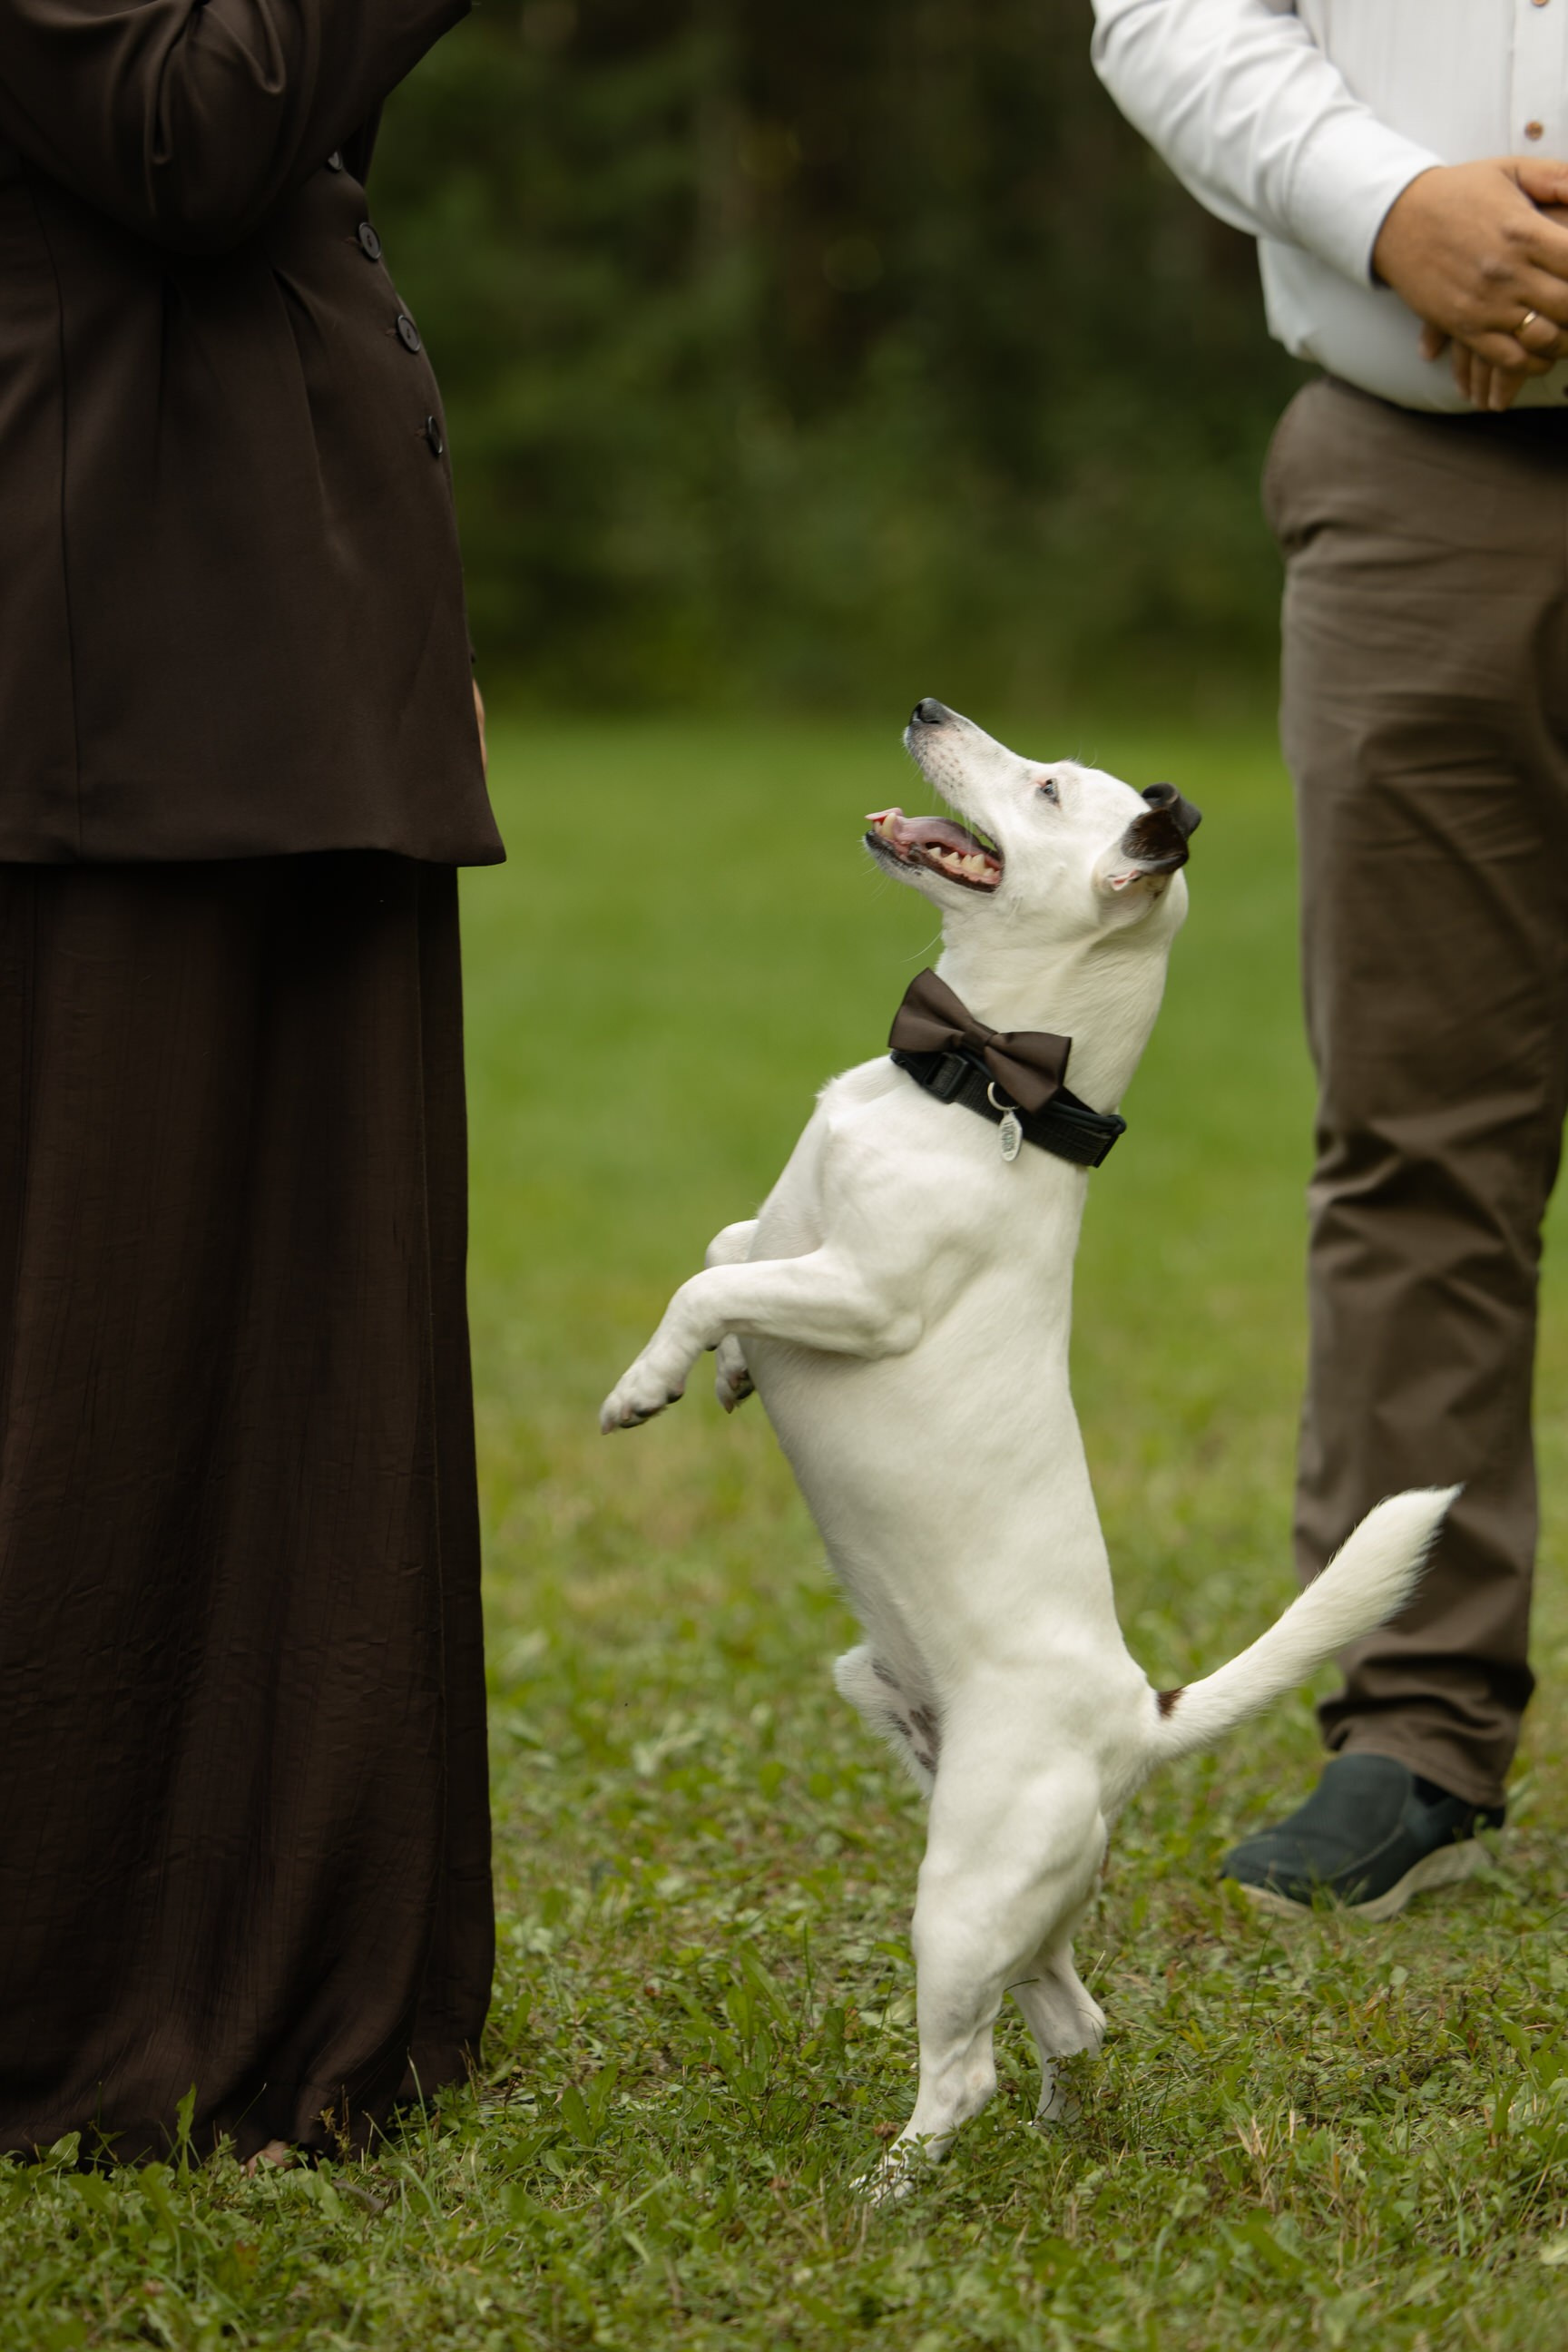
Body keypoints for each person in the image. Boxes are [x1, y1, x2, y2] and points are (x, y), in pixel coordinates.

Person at [0, 1, 503, 2162]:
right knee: (117, 1332)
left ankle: (306, 1967)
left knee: (318, 1327)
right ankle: (109, 1979)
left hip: (270, 618)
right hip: (124, 626)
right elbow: (186, 126)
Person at [1091, 1, 1568, 1916]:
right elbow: (1175, 9)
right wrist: (1394, 211)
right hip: (1416, 476)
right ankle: (1414, 1736)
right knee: (1419, 1125)